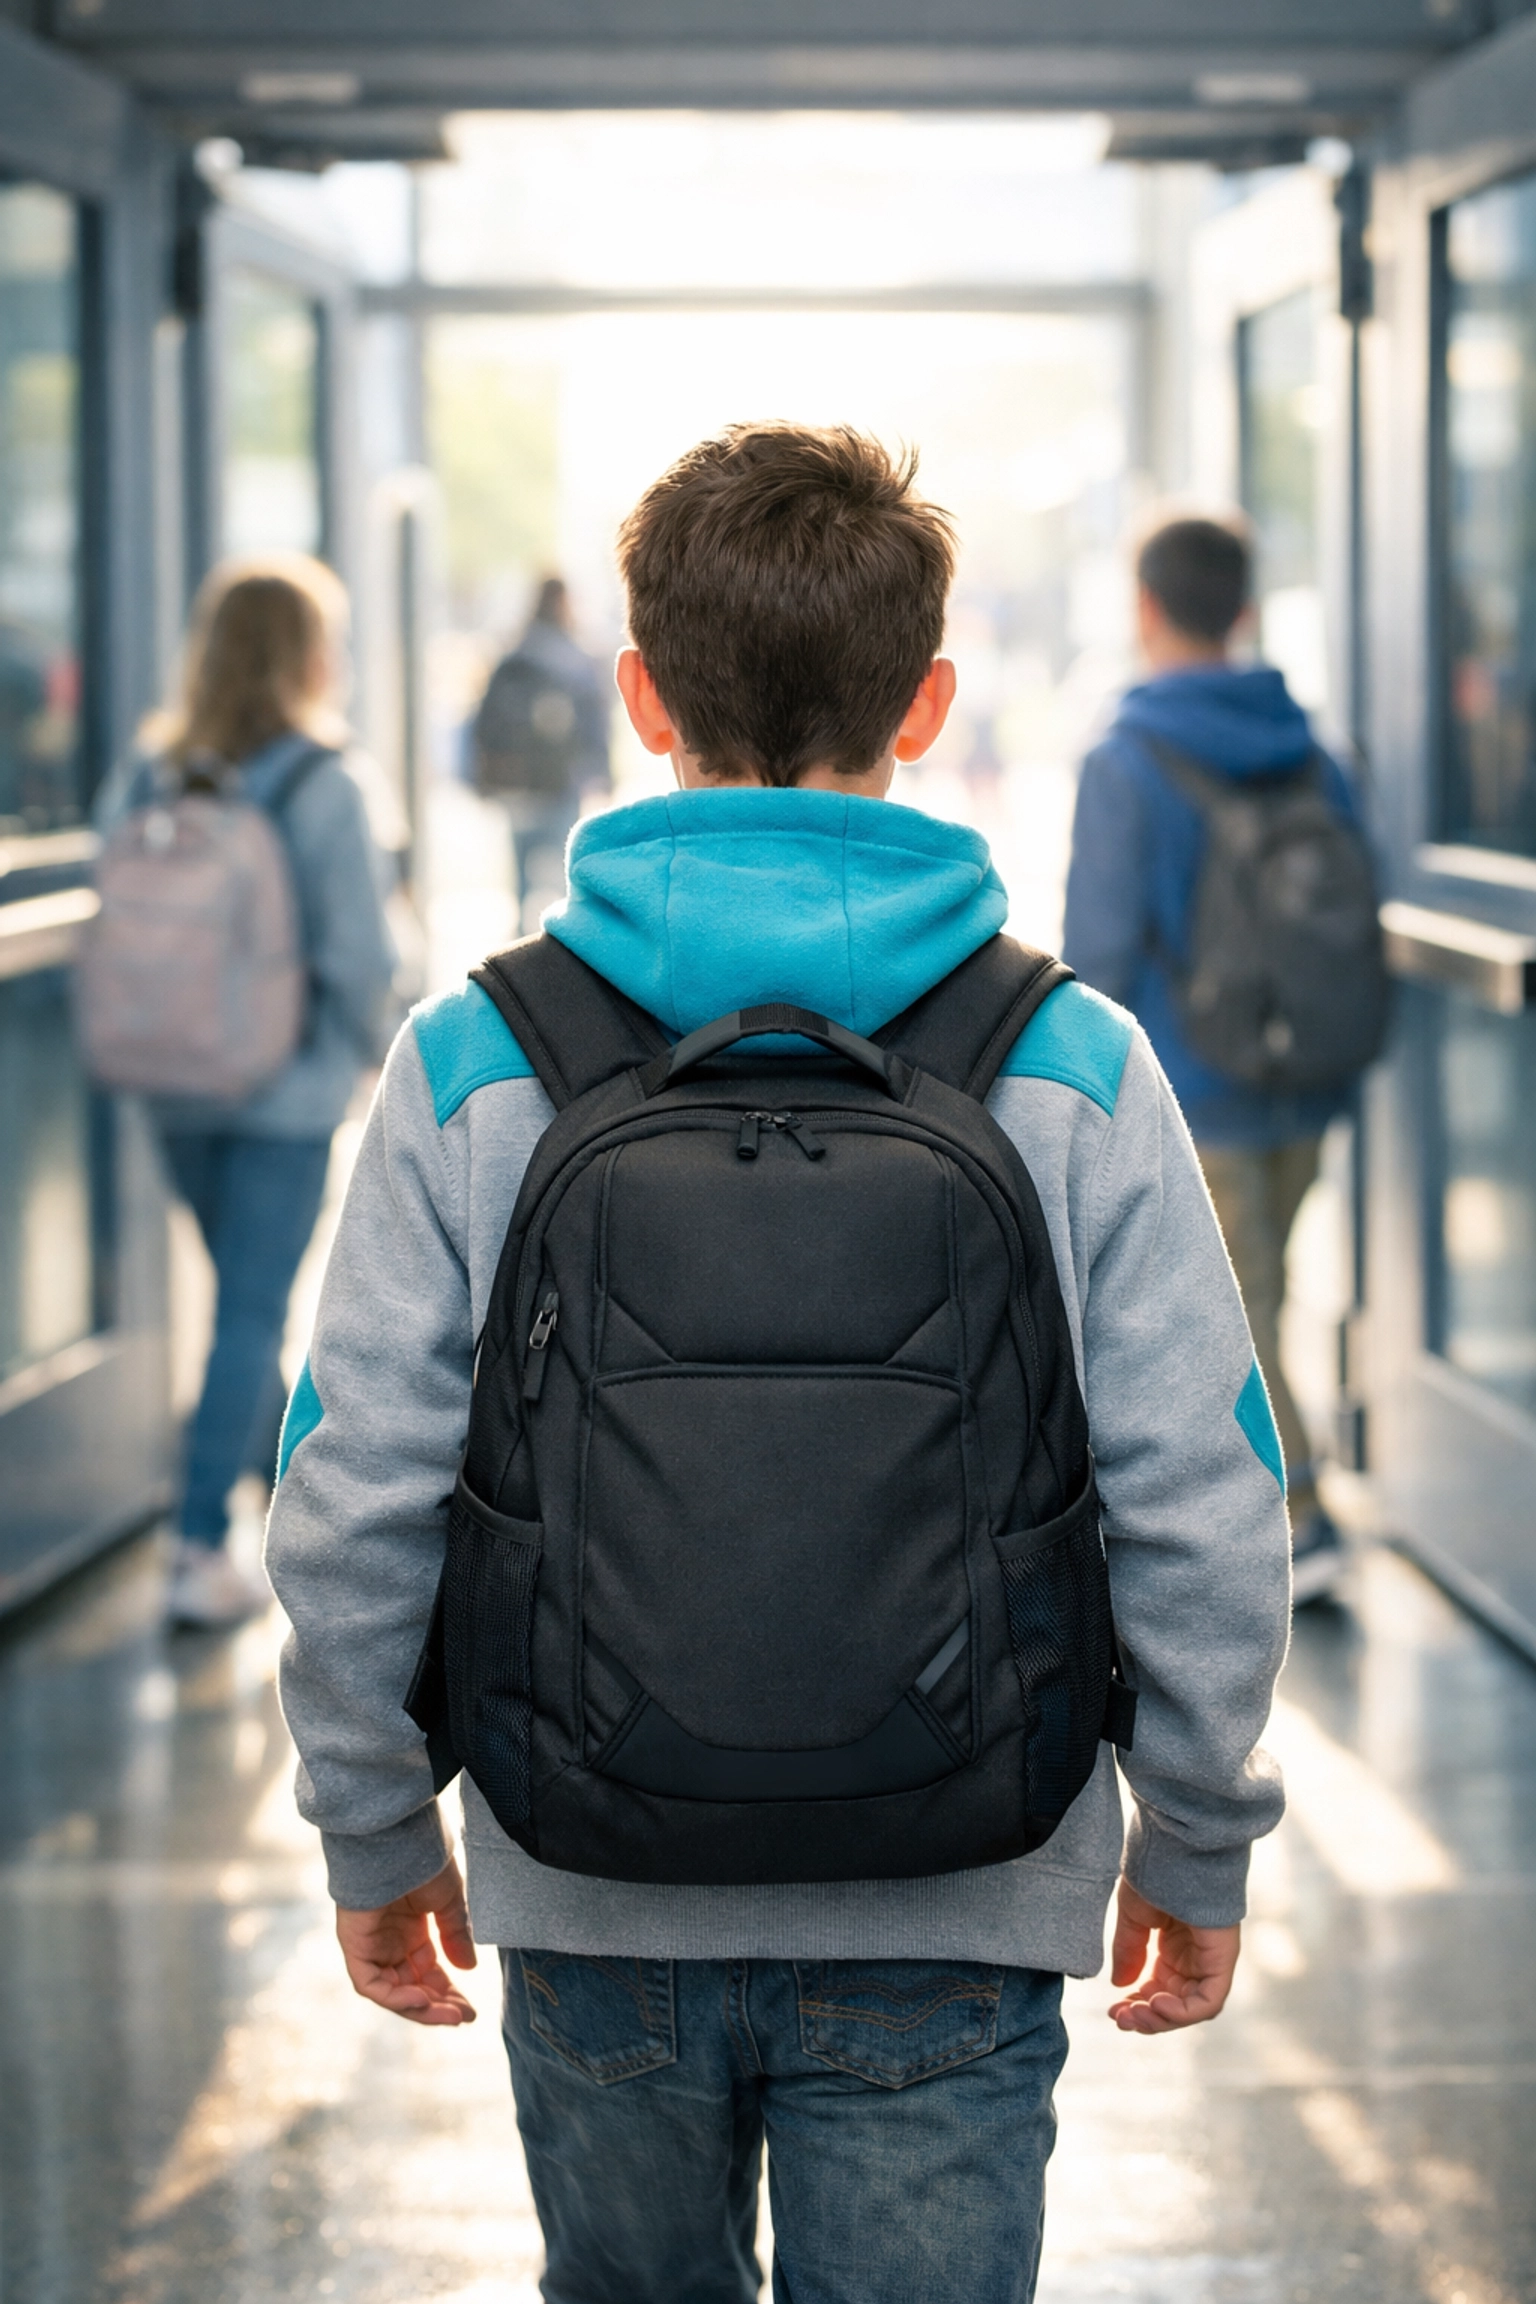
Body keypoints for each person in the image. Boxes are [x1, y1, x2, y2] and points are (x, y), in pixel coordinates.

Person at [267, 429, 1289, 2304]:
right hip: (963, 1885)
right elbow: (1201, 1484)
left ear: (642, 697)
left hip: (591, 1877)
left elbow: (353, 1476)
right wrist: (1201, 1829)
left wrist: (371, 1808)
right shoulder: (1067, 1059)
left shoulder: (476, 1057)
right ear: (928, 700)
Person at [1062, 513, 1365, 1604]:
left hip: (1200, 1088)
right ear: (1242, 611)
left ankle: (1305, 1516)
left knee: (1240, 1320)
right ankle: (1298, 1503)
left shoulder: (1125, 757)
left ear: (1146, 610)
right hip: (1307, 1078)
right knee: (1270, 1292)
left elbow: (1094, 949)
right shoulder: (1312, 746)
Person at [97, 556, 397, 1629]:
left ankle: (276, 1494)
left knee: (240, 1304)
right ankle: (191, 1550)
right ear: (308, 654)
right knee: (248, 1312)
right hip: (282, 1088)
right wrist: (363, 1053)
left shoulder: (151, 773)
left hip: (167, 1079)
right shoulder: (326, 782)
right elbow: (362, 956)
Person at [471, 576, 612, 935]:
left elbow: (482, 721)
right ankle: (564, 953)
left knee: (521, 880)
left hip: (516, 785)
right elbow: (595, 722)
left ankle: (517, 952)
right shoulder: (576, 658)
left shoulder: (514, 653)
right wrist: (603, 773)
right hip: (560, 783)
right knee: (567, 877)